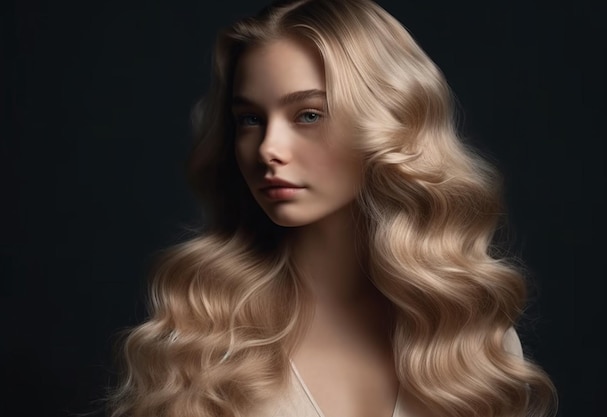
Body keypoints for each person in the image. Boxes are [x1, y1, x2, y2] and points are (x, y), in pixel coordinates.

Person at [106, 0, 557, 416]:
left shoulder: (472, 344)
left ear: (384, 123)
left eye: (308, 115)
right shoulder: (199, 343)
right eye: (250, 119)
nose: (268, 148)